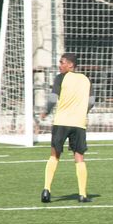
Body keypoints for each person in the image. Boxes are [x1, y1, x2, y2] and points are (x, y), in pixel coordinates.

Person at [40, 52, 93, 202]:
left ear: (70, 65)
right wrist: (83, 112)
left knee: (54, 155)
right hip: (78, 123)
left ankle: (46, 190)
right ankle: (82, 194)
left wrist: (46, 112)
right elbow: (91, 101)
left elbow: (52, 99)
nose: (60, 65)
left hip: (61, 122)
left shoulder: (60, 78)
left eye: (62, 62)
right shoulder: (85, 79)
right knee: (79, 157)